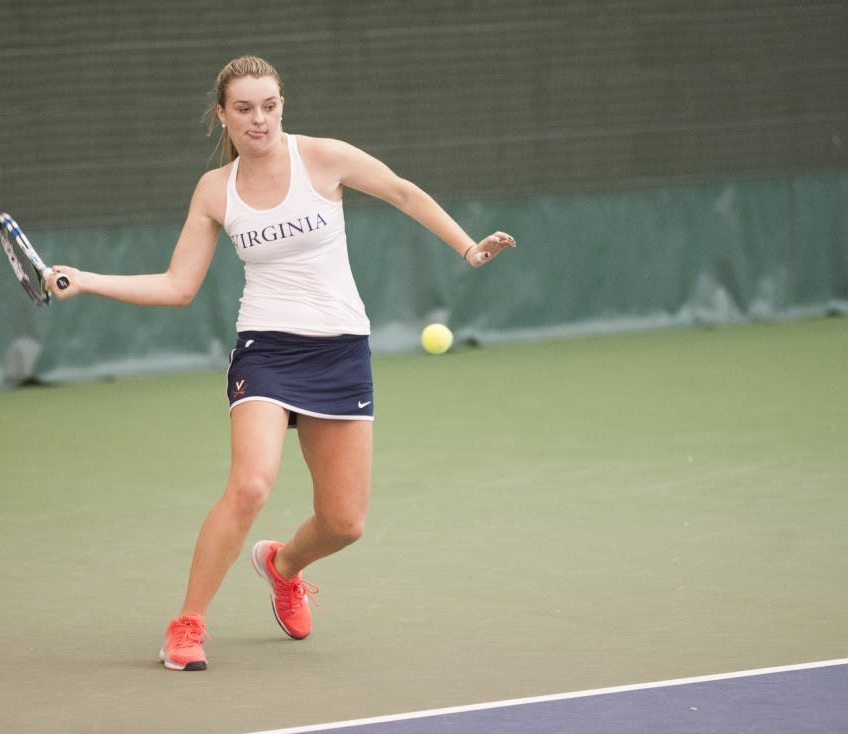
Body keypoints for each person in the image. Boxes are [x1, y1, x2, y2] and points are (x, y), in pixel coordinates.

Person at [46, 55, 515, 671]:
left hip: (341, 350)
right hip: (266, 349)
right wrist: (85, 280)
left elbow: (401, 191)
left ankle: (283, 565)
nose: (258, 119)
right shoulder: (215, 191)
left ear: (282, 106)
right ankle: (186, 626)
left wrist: (467, 247)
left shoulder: (324, 158)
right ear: (222, 115)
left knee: (345, 523)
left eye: (269, 105)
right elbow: (178, 285)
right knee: (251, 483)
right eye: (243, 108)